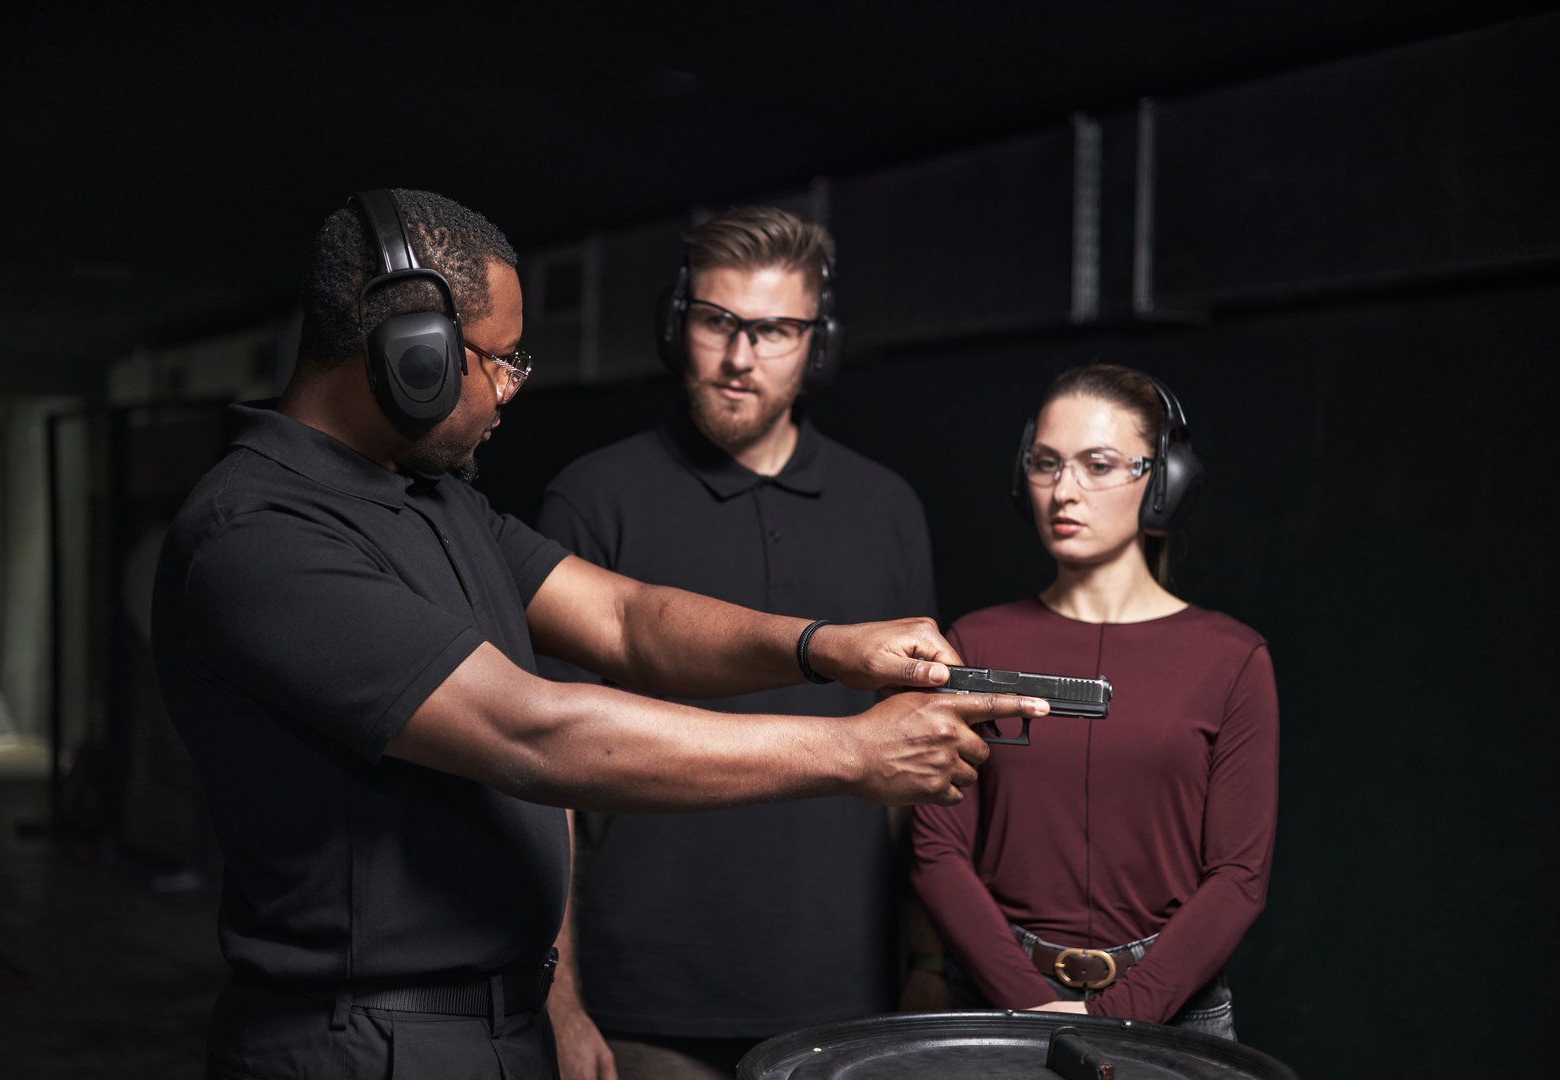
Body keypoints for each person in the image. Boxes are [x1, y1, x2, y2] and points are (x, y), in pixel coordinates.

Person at [150, 188, 1042, 1080]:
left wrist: (825, 646)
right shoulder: (260, 535)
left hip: (479, 1024)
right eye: (498, 361)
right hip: (360, 1039)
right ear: (410, 354)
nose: (509, 390)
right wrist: (852, 753)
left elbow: (625, 620)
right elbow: (532, 731)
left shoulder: (433, 498)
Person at [536, 207, 937, 1080]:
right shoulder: (593, 499)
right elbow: (538, 771)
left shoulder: (888, 510)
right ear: (678, 324)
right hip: (643, 1001)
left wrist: (926, 963)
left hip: (845, 996)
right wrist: (557, 997)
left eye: (776, 330)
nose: (740, 357)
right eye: (718, 322)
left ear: (817, 344)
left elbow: (912, 760)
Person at [909, 363, 1278, 1040]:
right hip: (1000, 1000)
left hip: (1175, 1011)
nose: (1063, 491)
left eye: (1098, 464)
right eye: (1046, 464)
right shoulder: (976, 642)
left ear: (1164, 481)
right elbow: (937, 850)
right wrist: (1033, 1009)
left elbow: (1239, 875)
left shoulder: (1233, 658)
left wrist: (1112, 1019)